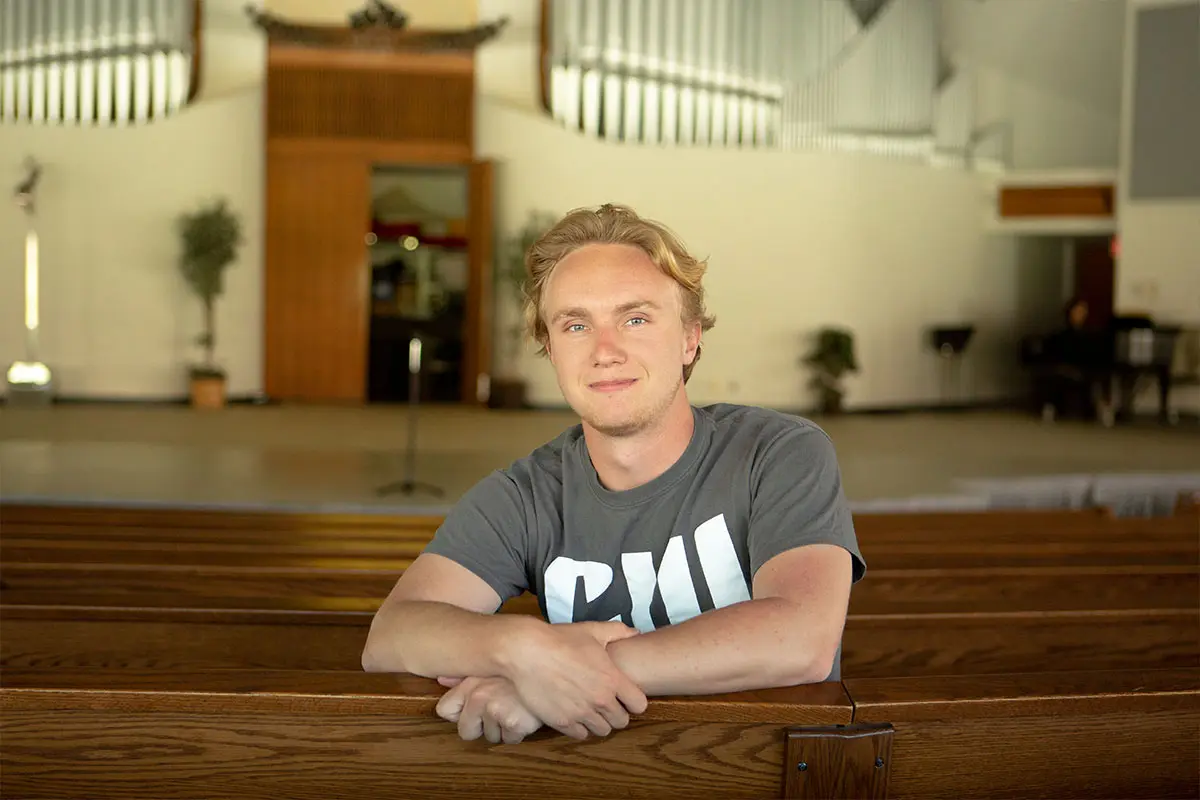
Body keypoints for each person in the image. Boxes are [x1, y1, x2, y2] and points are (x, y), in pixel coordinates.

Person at [361, 203, 866, 745]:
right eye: (576, 325)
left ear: (689, 338)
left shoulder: (778, 453)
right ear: (551, 350)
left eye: (635, 319)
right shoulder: (525, 495)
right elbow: (391, 635)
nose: (605, 351)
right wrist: (521, 649)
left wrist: (557, 677)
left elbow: (802, 638)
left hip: (766, 769)